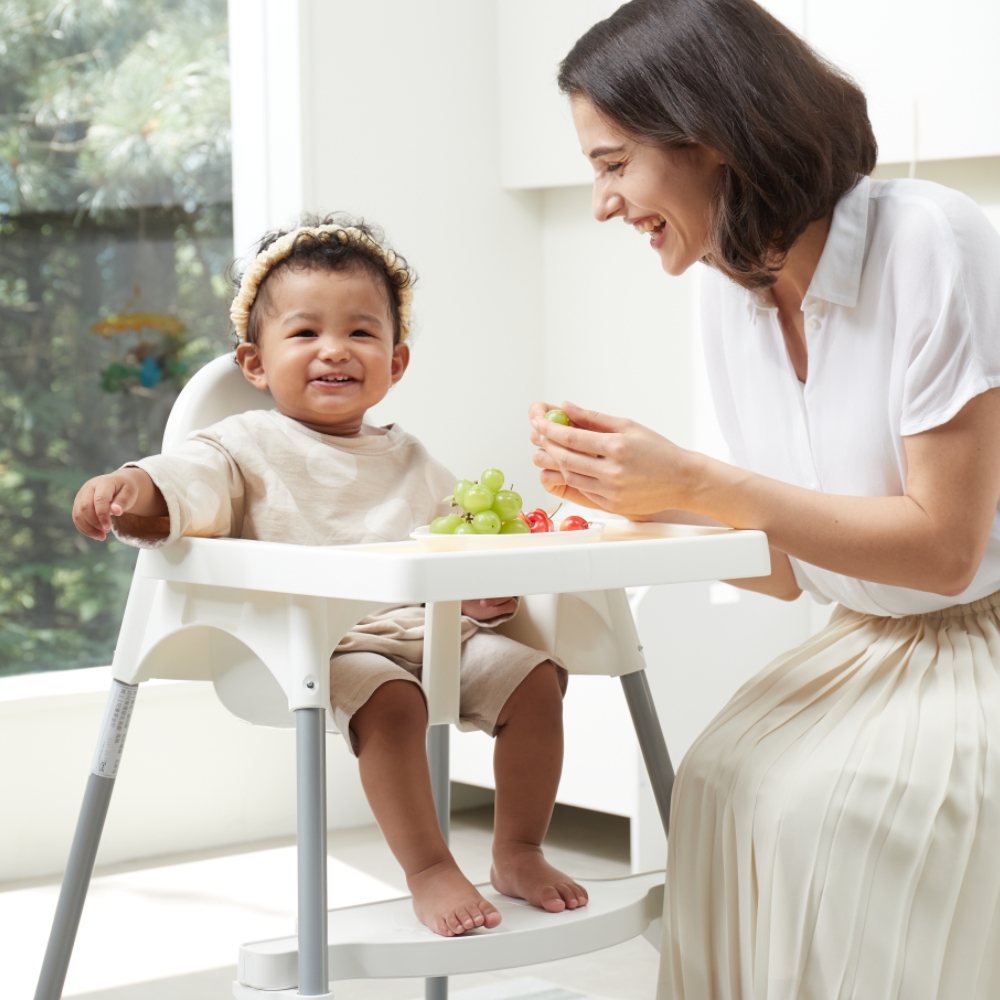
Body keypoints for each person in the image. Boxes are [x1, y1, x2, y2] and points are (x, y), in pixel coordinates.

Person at [530, 1, 1000, 997]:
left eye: (613, 164)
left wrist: (693, 479)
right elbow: (788, 565)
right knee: (712, 782)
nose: (603, 204)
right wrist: (631, 499)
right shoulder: (726, 287)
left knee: (818, 811)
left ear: (707, 137)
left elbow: (944, 551)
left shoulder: (930, 238)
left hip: (980, 631)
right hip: (867, 642)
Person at [71, 216, 588, 937]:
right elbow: (186, 483)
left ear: (396, 362)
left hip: (435, 633)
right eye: (306, 332)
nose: (335, 349)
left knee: (537, 679)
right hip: (320, 643)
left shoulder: (414, 459)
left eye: (361, 332)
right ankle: (429, 868)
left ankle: (518, 850)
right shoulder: (242, 444)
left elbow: (463, 546)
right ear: (255, 363)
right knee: (394, 701)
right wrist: (130, 487)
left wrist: (487, 598)